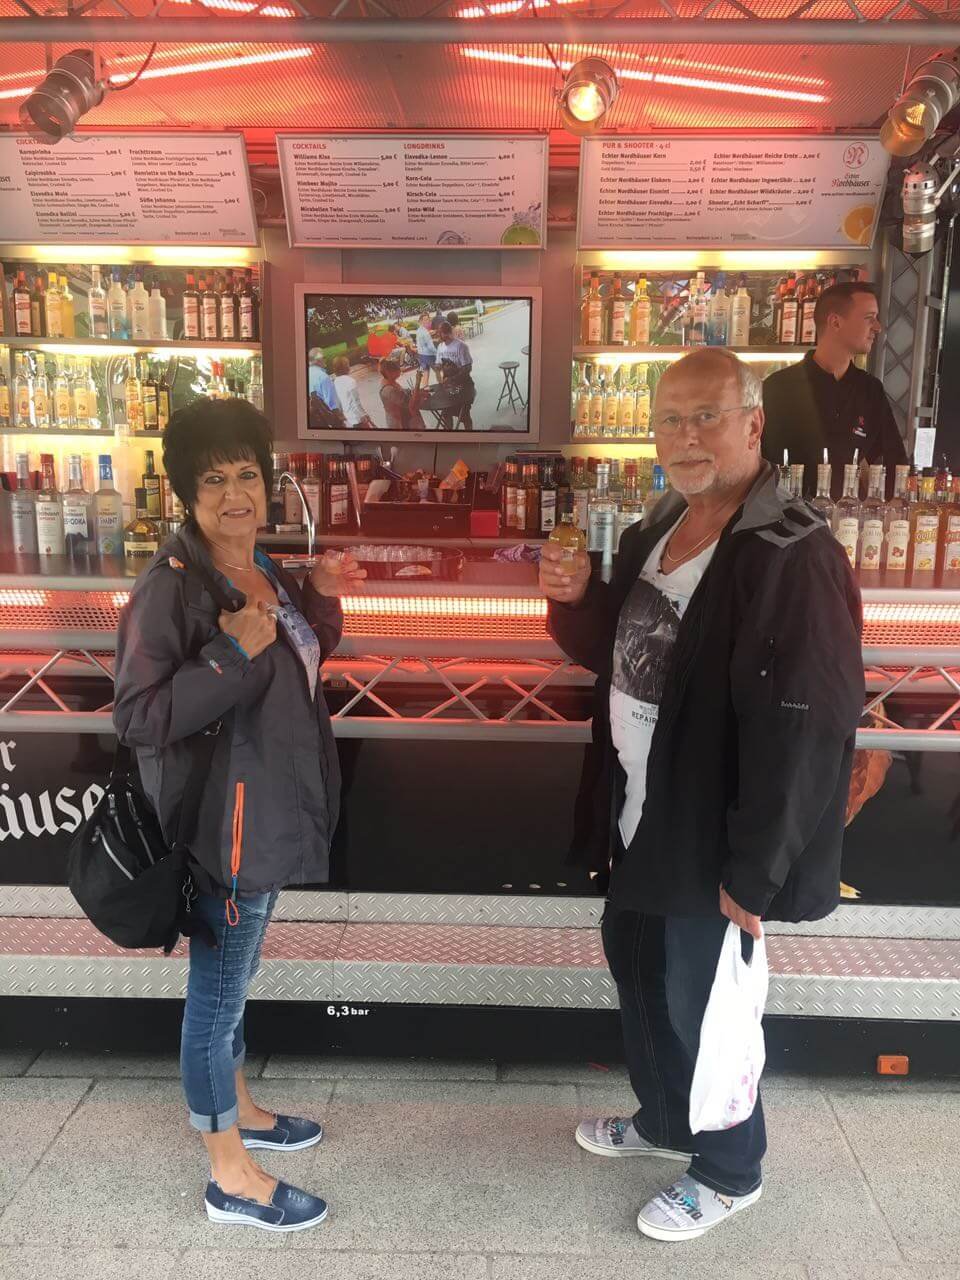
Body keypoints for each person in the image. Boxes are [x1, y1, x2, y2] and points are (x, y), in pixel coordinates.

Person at [540, 348, 864, 1243]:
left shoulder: (792, 552)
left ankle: (730, 1169)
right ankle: (665, 1119)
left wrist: (756, 869)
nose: (685, 437)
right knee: (639, 968)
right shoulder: (662, 525)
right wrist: (576, 601)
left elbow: (809, 725)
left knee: (703, 1001)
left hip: (712, 829)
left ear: (752, 424)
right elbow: (617, 649)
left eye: (705, 417)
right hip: (643, 810)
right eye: (670, 420)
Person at [114, 398, 366, 1234]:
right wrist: (228, 654)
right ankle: (229, 1174)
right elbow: (139, 716)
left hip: (270, 810)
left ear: (268, 481)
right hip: (222, 830)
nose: (235, 495)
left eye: (248, 475)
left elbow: (296, 659)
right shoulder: (172, 587)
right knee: (216, 997)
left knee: (237, 975)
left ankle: (243, 1106)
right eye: (214, 480)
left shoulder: (266, 568)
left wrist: (319, 599)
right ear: (187, 494)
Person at [762, 282, 907, 497]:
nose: (877, 327)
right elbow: (756, 464)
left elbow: (894, 464)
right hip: (785, 514)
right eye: (869, 318)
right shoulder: (778, 387)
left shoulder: (870, 390)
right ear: (835, 322)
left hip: (847, 515)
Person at [435, 322, 476, 430]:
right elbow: (439, 364)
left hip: (463, 386)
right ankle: (449, 435)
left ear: (447, 333)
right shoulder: (440, 347)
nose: (438, 335)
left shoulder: (461, 346)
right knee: (446, 414)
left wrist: (452, 379)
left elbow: (467, 368)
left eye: (440, 333)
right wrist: (437, 368)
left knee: (464, 416)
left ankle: (470, 435)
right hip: (448, 387)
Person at [379, 358, 427, 431]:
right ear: (389, 373)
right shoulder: (389, 390)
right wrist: (418, 382)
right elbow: (411, 404)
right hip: (400, 422)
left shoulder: (391, 381)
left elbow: (403, 392)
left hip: (406, 417)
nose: (399, 373)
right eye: (397, 372)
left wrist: (414, 392)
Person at [332, 355, 373, 429]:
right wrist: (364, 414)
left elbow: (338, 400)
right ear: (345, 367)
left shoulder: (336, 381)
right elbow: (356, 402)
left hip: (348, 417)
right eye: (348, 364)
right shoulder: (350, 381)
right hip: (357, 418)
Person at [415, 313, 438, 389]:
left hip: (421, 354)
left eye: (428, 319)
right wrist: (436, 353)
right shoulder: (425, 333)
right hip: (428, 354)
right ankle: (443, 385)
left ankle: (425, 387)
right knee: (438, 370)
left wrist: (429, 334)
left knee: (426, 370)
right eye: (425, 319)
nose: (427, 321)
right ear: (421, 321)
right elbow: (430, 347)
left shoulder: (419, 330)